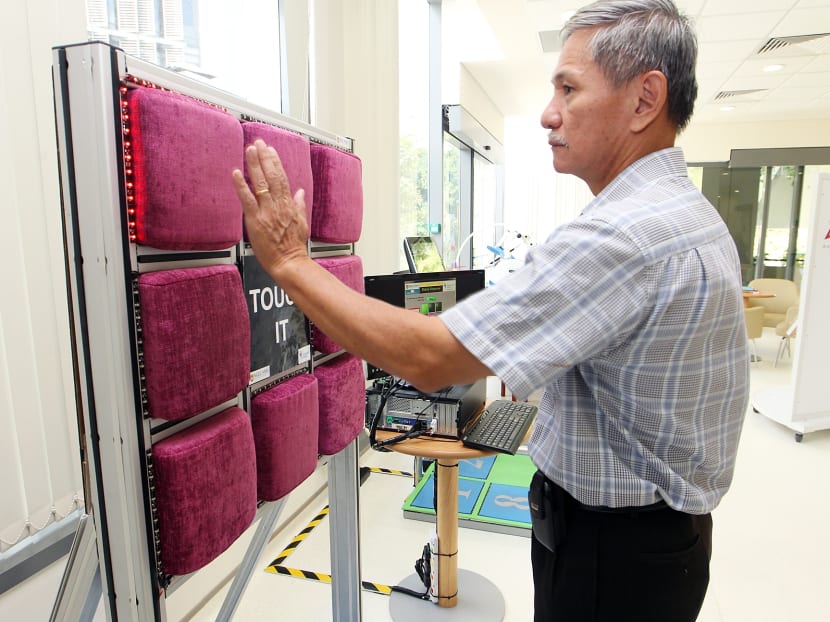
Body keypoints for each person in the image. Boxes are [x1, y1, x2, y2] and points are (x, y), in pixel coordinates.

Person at [232, 0, 749, 619]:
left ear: (645, 100)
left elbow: (429, 358)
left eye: (568, 88)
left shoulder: (623, 235)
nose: (549, 113)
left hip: (614, 556)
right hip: (662, 543)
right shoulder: (686, 214)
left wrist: (292, 263)